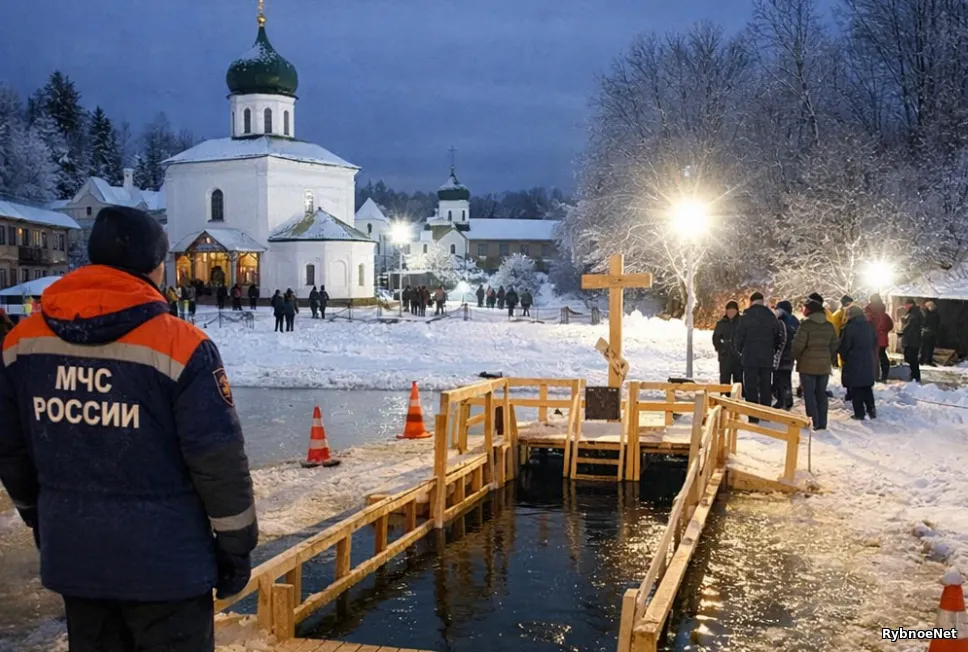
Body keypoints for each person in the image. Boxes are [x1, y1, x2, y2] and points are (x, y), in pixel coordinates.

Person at [0, 206, 256, 651]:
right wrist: (236, 545)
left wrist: (42, 519)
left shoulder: (21, 341)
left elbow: (11, 450)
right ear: (155, 267)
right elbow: (217, 459)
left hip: (76, 556)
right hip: (167, 566)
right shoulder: (181, 345)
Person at [733, 292, 782, 419]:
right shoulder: (771, 316)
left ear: (751, 301)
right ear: (762, 301)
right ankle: (765, 414)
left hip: (750, 357)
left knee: (751, 386)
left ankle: (753, 415)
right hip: (766, 357)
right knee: (766, 385)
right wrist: (772, 351)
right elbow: (778, 337)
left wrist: (740, 351)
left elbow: (739, 337)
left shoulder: (746, 316)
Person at [792, 299, 839, 430]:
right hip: (824, 365)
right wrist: (827, 356)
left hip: (807, 365)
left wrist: (798, 357)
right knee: (821, 393)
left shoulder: (806, 325)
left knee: (809, 393)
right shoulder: (829, 325)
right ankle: (823, 422)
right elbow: (835, 344)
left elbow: (797, 345)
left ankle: (814, 420)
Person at [839, 304, 877, 420]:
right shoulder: (869, 326)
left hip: (854, 360)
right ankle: (871, 409)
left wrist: (845, 357)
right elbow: (875, 341)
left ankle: (859, 413)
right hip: (867, 358)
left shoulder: (849, 328)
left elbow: (844, 346)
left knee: (856, 388)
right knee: (866, 386)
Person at [773, 300, 799, 410]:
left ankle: (781, 400)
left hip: (782, 352)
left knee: (779, 377)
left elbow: (777, 337)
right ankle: (788, 400)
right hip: (792, 353)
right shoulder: (795, 320)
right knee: (786, 377)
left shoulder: (780, 320)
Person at [712, 300, 742, 386]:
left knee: (739, 382)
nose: (731, 312)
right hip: (725, 356)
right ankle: (724, 397)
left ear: (737, 311)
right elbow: (715, 338)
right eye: (729, 310)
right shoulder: (721, 323)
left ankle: (738, 399)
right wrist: (720, 348)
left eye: (733, 310)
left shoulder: (742, 322)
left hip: (738, 358)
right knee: (724, 381)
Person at [865, 293, 894, 382]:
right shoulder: (884, 314)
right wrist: (883, 332)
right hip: (882, 338)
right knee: (882, 355)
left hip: (871, 337)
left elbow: (866, 324)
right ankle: (884, 374)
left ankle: (873, 375)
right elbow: (890, 325)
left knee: (871, 357)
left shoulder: (868, 311)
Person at [899, 298, 922, 383]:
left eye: (906, 304)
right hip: (911, 340)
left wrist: (902, 331)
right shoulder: (912, 313)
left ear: (911, 304)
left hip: (912, 341)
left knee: (912, 359)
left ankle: (915, 377)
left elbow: (910, 325)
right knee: (910, 358)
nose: (905, 306)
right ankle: (912, 376)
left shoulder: (914, 313)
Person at [920, 300, 940, 366]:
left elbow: (937, 323)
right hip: (927, 333)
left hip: (932, 333)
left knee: (930, 348)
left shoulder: (935, 314)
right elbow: (923, 323)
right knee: (924, 347)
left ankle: (928, 360)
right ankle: (922, 360)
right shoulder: (925, 314)